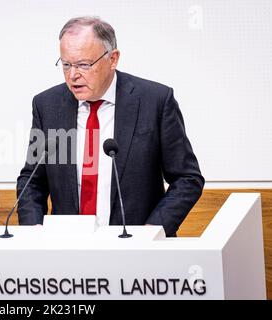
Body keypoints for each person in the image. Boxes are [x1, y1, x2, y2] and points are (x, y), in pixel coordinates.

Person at [16, 16, 204, 237]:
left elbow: (187, 179)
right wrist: (34, 231)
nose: (73, 75)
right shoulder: (48, 106)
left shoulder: (154, 101)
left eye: (84, 65)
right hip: (67, 248)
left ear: (113, 58)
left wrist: (153, 231)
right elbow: (32, 180)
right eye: (66, 64)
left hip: (136, 249)